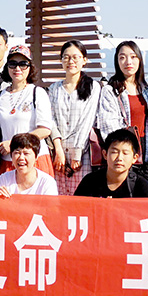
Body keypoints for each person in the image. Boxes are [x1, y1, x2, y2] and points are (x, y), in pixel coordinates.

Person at [49, 40, 109, 195]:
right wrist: (58, 149)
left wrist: (77, 152)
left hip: (83, 152)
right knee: (59, 195)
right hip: (58, 153)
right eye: (66, 57)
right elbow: (51, 120)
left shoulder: (93, 87)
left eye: (75, 57)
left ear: (84, 60)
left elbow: (87, 121)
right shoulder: (54, 88)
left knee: (81, 195)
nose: (71, 61)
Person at [0, 45, 55, 176]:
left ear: (30, 67)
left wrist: (14, 144)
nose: (17, 69)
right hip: (8, 161)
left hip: (35, 160)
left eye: (23, 64)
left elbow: (45, 130)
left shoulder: (37, 93)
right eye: (12, 64)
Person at [97, 40, 148, 170]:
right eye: (122, 57)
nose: (128, 62)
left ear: (139, 60)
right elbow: (108, 127)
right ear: (117, 62)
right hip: (123, 153)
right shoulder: (110, 91)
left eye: (133, 57)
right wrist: (127, 153)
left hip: (146, 153)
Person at [74, 129, 148, 198]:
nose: (119, 158)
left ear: (135, 158)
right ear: (105, 154)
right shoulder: (90, 182)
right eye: (114, 152)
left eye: (125, 153)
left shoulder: (140, 185)